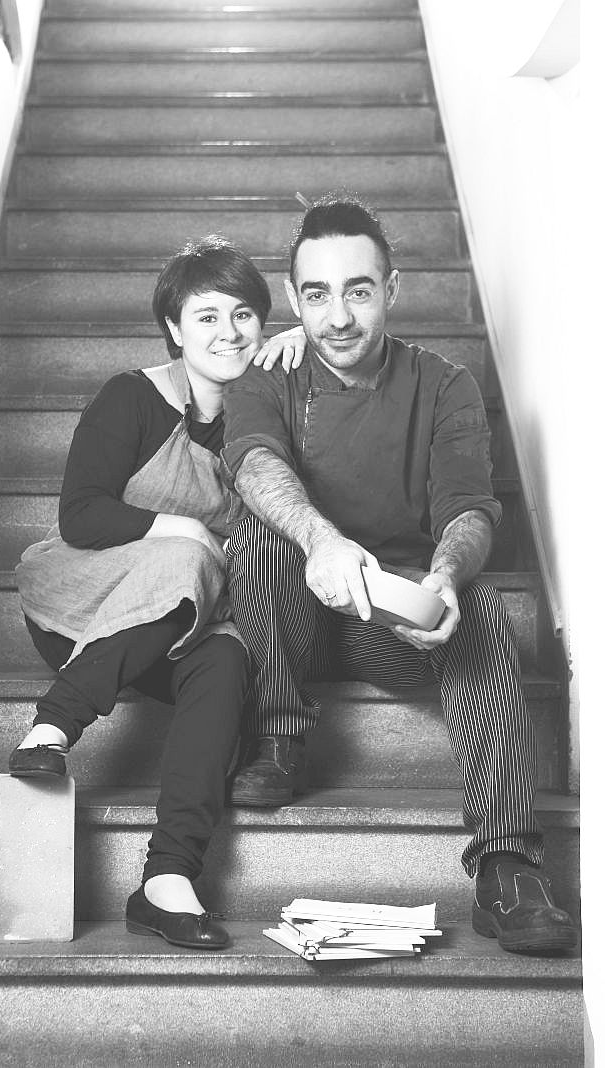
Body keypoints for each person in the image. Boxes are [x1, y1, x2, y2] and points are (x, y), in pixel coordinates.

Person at [220, 195, 577, 955]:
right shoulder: (266, 378)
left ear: (392, 288)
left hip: (391, 623)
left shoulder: (444, 384)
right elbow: (252, 463)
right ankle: (279, 733)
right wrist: (322, 540)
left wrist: (444, 577)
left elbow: (469, 507)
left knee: (482, 609)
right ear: (293, 300)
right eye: (317, 294)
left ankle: (507, 864)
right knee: (261, 534)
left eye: (358, 290)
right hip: (292, 613)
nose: (338, 317)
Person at [9, 236, 304, 950]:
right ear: (174, 327)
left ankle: (168, 877)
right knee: (186, 555)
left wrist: (313, 350)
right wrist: (186, 530)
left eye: (243, 315)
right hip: (86, 605)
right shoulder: (131, 397)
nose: (228, 332)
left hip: (189, 625)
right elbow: (81, 515)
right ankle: (54, 724)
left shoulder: (269, 414)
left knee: (228, 662)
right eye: (206, 316)